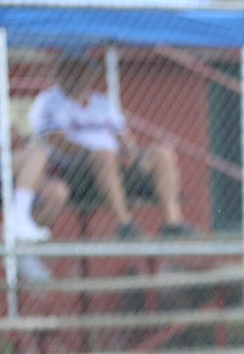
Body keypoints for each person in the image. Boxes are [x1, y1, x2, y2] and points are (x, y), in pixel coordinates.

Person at [29, 53, 192, 239]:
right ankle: (125, 224)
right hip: (75, 171)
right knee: (103, 156)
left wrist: (129, 151)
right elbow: (56, 141)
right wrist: (94, 152)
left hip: (115, 164)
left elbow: (124, 136)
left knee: (163, 152)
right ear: (60, 73)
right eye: (72, 69)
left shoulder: (102, 102)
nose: (78, 75)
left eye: (83, 70)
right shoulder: (48, 101)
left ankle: (172, 222)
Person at [7, 140, 71, 281]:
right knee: (38, 154)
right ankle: (18, 220)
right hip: (8, 163)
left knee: (58, 192)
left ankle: (23, 250)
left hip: (15, 168)